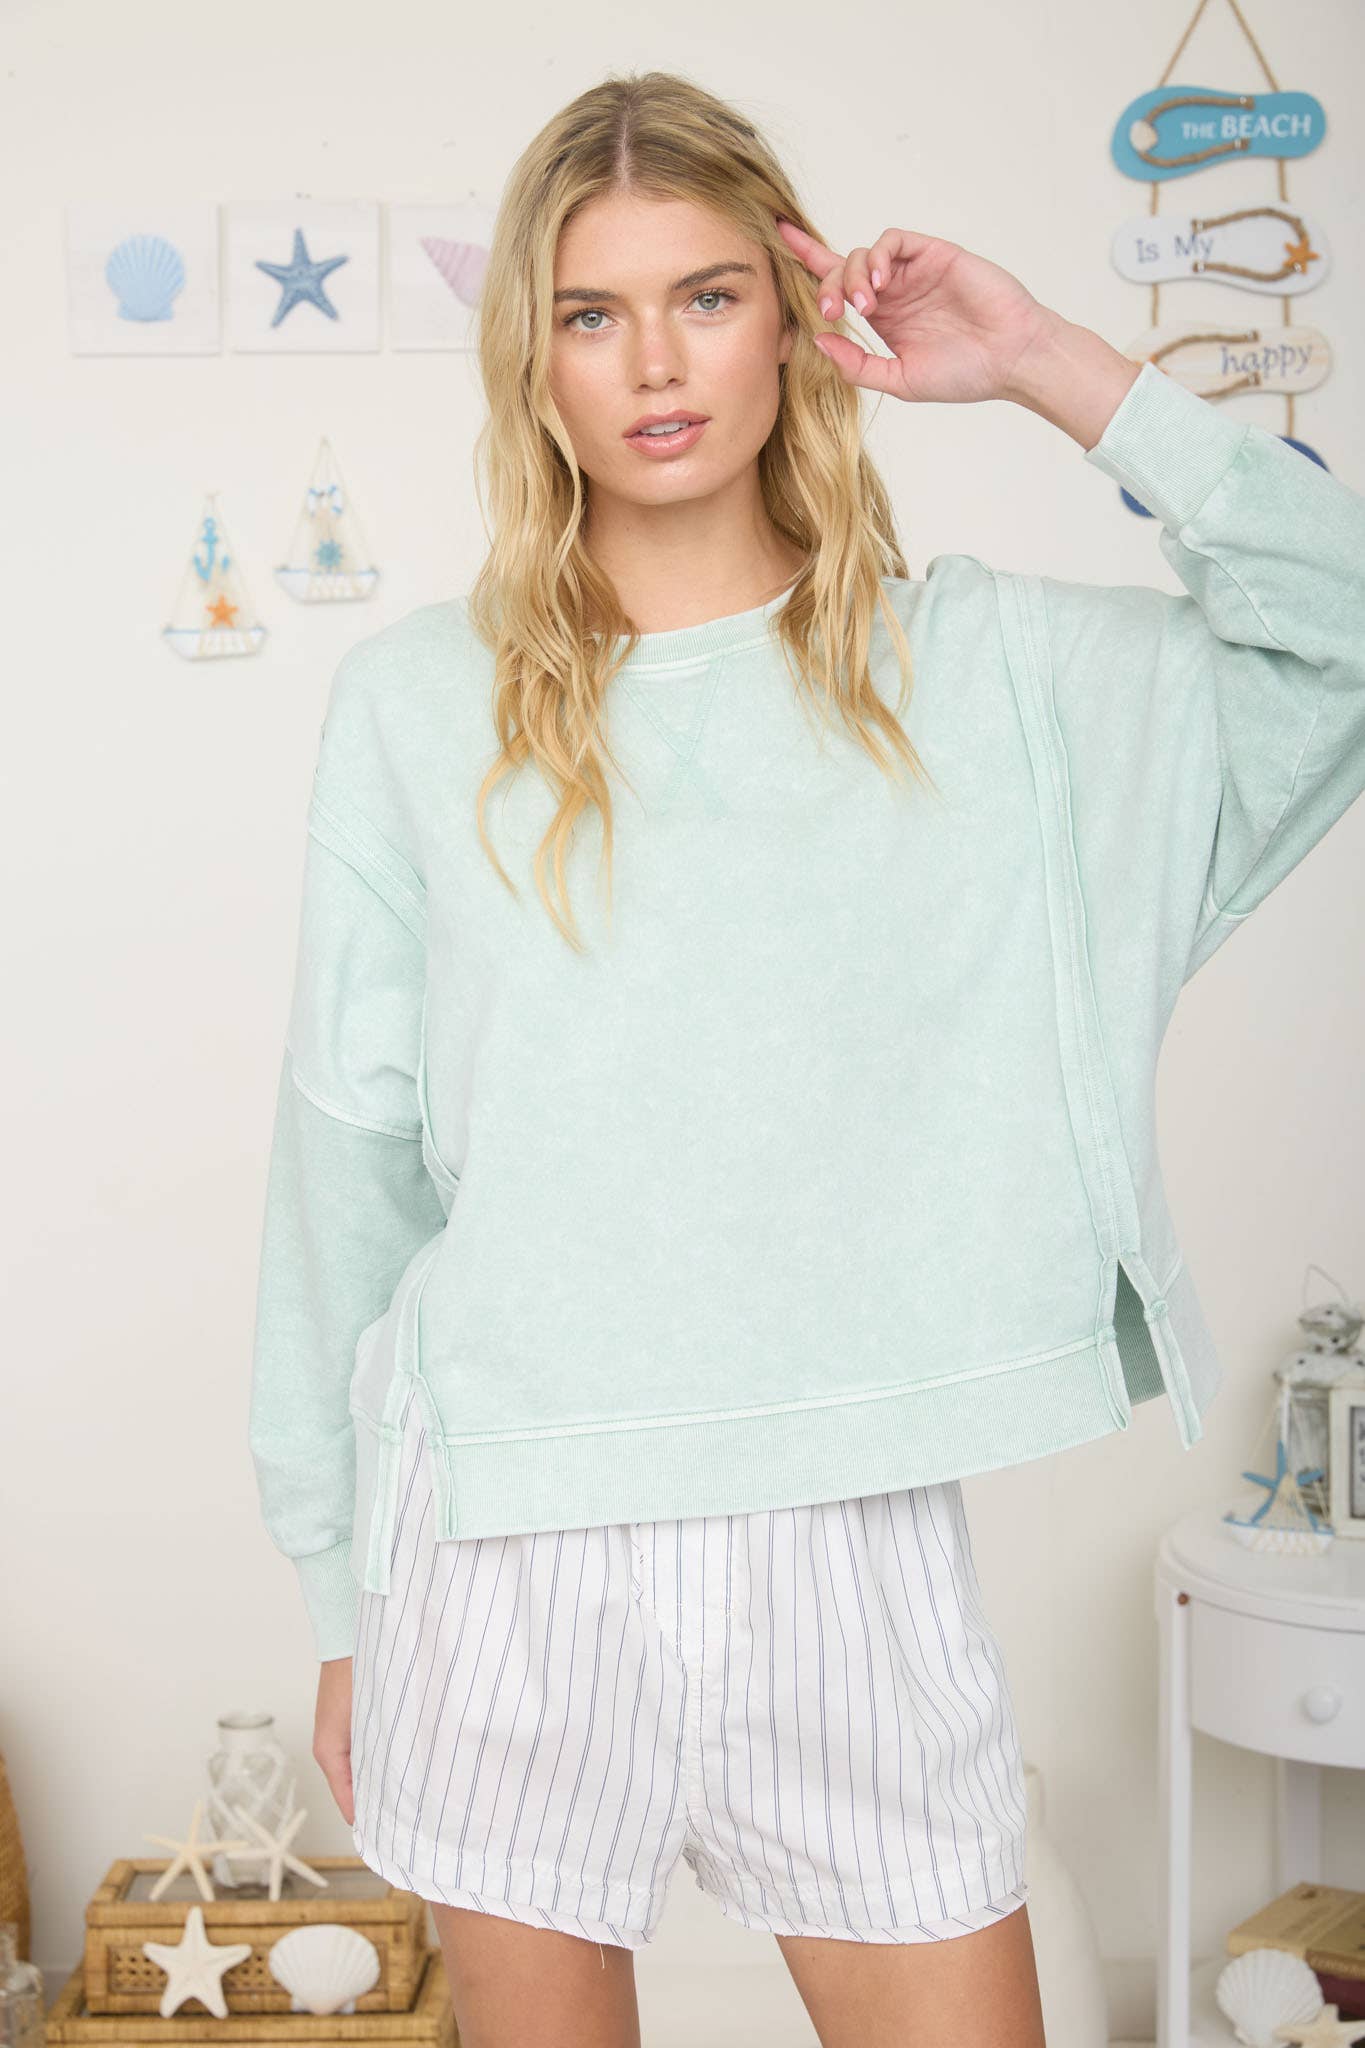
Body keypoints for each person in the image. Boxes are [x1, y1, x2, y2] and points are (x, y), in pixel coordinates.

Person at [247, 68, 1365, 2048]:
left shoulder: (990, 677)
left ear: (792, 316)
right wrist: (342, 1596)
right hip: (504, 1529)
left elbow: (1337, 630)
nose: (652, 363)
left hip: (842, 1514)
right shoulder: (418, 704)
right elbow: (346, 1169)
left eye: (704, 296)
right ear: (530, 358)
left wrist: (1039, 358)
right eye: (589, 314)